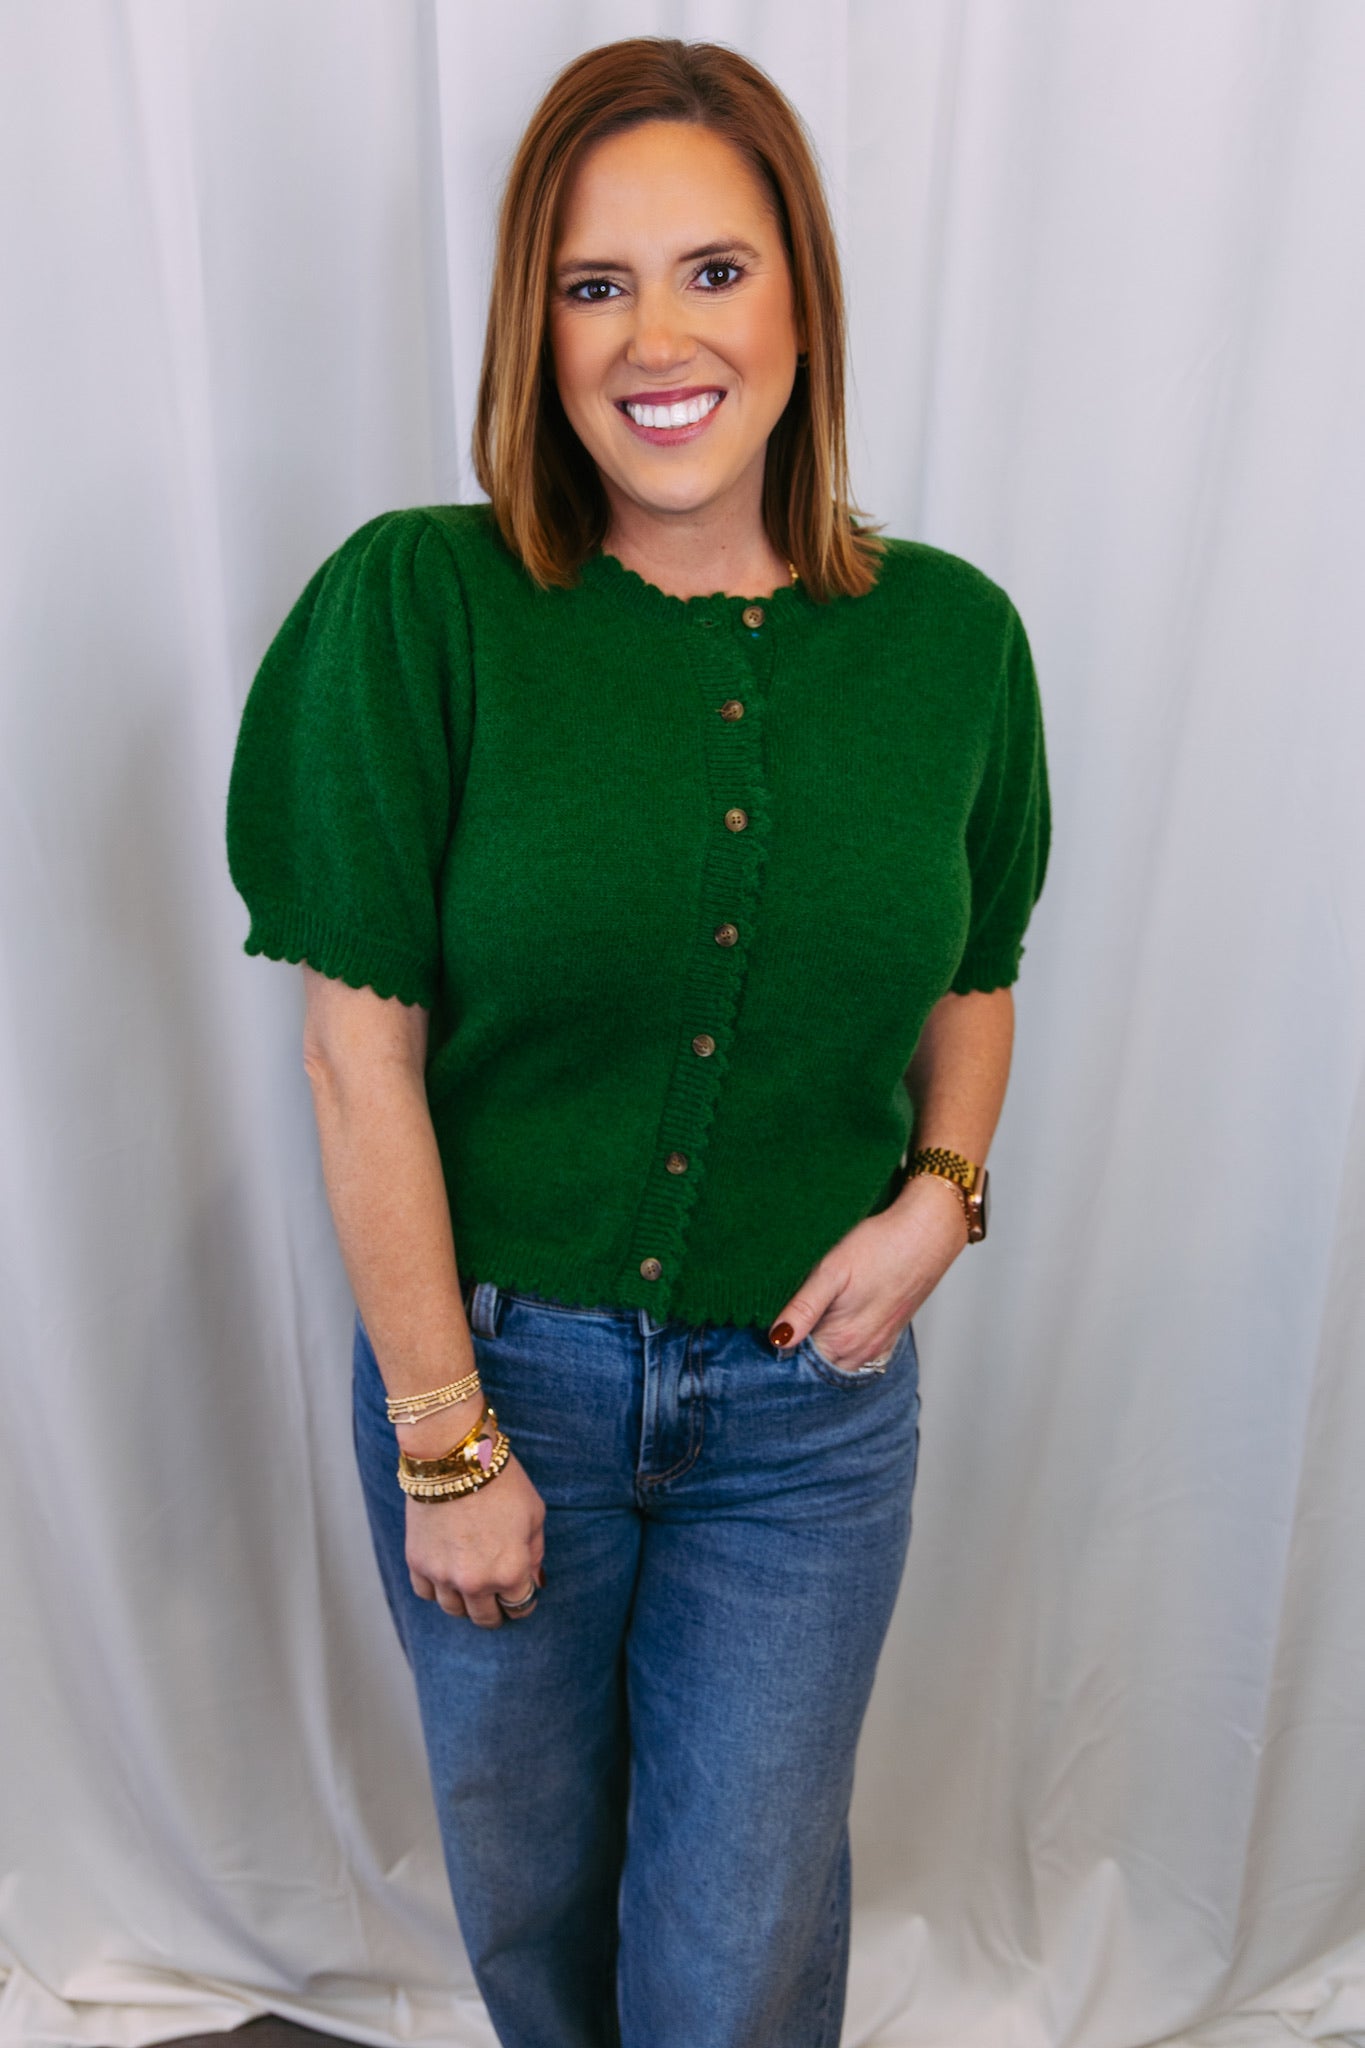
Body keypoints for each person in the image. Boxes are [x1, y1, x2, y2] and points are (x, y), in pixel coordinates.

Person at [225, 34, 1050, 2048]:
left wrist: (941, 1195)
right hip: (499, 1383)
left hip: (804, 1422)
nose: (650, 336)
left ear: (799, 301)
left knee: (731, 1939)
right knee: (529, 1910)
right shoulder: (420, 608)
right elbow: (360, 1064)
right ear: (533, 320)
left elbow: (978, 965)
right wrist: (449, 1441)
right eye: (593, 284)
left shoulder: (949, 642)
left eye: (710, 269)